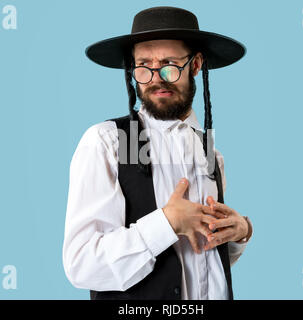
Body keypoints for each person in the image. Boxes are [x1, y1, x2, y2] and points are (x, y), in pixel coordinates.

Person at [62, 6, 253, 300]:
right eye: (143, 65)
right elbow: (83, 263)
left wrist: (238, 233)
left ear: (196, 65)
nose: (156, 77)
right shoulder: (109, 141)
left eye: (169, 64)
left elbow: (199, 263)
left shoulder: (210, 154)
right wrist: (165, 223)